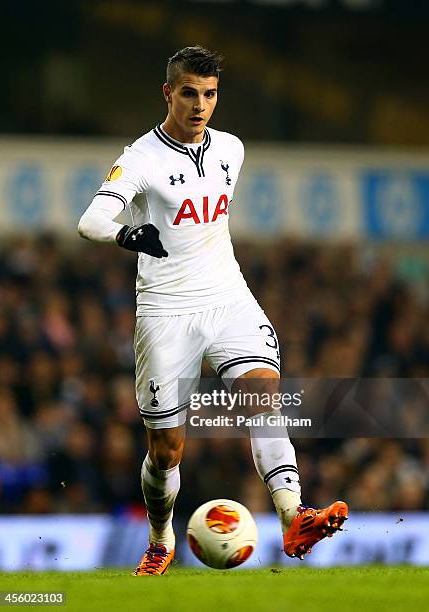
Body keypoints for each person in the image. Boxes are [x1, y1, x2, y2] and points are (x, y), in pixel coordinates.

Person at [78, 46, 348, 575]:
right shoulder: (140, 159)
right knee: (166, 453)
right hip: (166, 311)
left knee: (262, 397)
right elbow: (90, 221)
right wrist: (128, 233)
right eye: (189, 93)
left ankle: (295, 516)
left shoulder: (231, 149)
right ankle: (160, 538)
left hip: (228, 298)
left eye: (210, 94)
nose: (200, 105)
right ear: (168, 93)